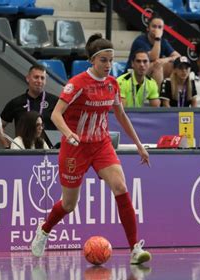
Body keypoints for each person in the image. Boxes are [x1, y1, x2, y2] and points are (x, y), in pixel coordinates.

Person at [31, 33, 152, 265]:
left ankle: (135, 248)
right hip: (75, 147)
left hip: (101, 144)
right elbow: (56, 115)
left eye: (111, 60)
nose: (109, 65)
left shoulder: (112, 84)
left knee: (120, 186)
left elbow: (121, 116)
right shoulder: (76, 83)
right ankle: (44, 230)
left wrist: (139, 145)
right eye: (104, 60)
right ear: (93, 61)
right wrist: (69, 134)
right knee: (68, 204)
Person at [1, 64, 58, 136]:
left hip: (47, 146)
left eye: (42, 78)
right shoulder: (16, 103)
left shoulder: (55, 102)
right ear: (28, 78)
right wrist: (7, 145)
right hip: (23, 146)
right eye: (36, 77)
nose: (39, 81)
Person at [126, 13, 180, 87]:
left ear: (163, 30)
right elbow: (153, 57)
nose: (157, 29)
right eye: (154, 26)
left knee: (172, 65)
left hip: (148, 71)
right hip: (133, 73)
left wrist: (165, 60)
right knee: (157, 66)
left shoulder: (163, 42)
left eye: (159, 27)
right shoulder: (140, 41)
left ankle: (170, 95)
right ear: (148, 28)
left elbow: (178, 56)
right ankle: (157, 96)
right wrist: (157, 38)